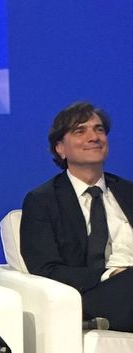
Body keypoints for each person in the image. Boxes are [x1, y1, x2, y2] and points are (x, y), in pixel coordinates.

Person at [20, 101, 133, 331]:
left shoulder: (128, 192)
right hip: (93, 294)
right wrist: (110, 274)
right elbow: (46, 269)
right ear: (60, 148)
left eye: (99, 129)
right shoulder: (42, 201)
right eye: (80, 131)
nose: (94, 137)